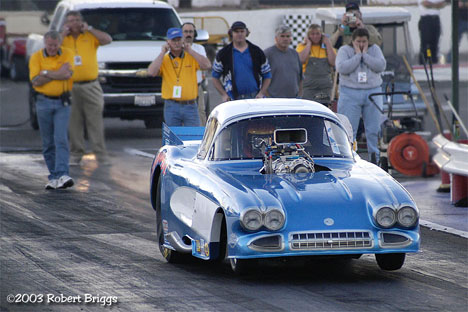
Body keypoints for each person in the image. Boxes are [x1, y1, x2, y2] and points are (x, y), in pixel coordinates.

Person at [61, 11, 112, 165]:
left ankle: (100, 154)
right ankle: (76, 153)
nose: (74, 23)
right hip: (70, 85)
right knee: (74, 121)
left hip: (91, 84)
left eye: (77, 20)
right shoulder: (64, 38)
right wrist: (63, 33)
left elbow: (107, 39)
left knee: (95, 120)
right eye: (71, 20)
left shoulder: (90, 36)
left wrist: (89, 29)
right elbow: (51, 47)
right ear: (66, 23)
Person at [29, 30, 75, 189]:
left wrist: (46, 73)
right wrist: (57, 73)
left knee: (61, 138)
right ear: (45, 43)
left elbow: (67, 74)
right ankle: (54, 175)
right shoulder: (36, 57)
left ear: (59, 43)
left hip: (62, 102)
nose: (53, 48)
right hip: (43, 102)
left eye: (55, 45)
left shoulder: (68, 54)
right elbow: (35, 81)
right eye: (50, 45)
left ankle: (63, 173)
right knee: (48, 142)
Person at [335, 28, 386, 164]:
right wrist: (357, 55)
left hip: (372, 92)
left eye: (364, 41)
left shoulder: (374, 49)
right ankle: (348, 158)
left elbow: (380, 66)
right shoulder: (344, 50)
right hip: (350, 92)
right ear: (353, 41)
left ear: (368, 41)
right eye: (358, 41)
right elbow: (342, 68)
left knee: (373, 129)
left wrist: (365, 55)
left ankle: (375, 158)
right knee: (349, 128)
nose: (362, 44)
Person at [147, 28, 211, 126]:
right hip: (171, 106)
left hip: (190, 106)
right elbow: (151, 72)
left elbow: (207, 65)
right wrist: (162, 52)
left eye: (179, 40)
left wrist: (190, 50)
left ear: (183, 41)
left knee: (193, 137)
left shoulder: (191, 56)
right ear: (168, 42)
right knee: (173, 138)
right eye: (173, 40)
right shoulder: (164, 59)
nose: (176, 43)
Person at [212, 21, 271, 102]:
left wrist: (261, 93)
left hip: (255, 97)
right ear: (231, 33)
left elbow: (267, 75)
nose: (239, 34)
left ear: (246, 32)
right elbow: (215, 77)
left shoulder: (257, 52)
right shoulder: (223, 54)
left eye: (242, 31)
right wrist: (224, 94)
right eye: (236, 31)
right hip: (232, 98)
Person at [296, 24, 336, 105]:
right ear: (308, 35)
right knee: (308, 108)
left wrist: (328, 43)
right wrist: (308, 44)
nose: (315, 36)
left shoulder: (327, 48)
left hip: (324, 87)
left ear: (322, 35)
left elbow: (333, 62)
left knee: (323, 107)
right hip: (308, 87)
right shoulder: (301, 46)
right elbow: (301, 60)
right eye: (312, 34)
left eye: (317, 33)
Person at [182, 22, 211, 125]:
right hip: (180, 89)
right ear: (181, 33)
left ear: (194, 34)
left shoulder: (200, 49)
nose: (188, 34)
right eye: (186, 31)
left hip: (196, 88)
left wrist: (190, 50)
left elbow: (206, 65)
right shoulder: (175, 49)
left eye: (191, 32)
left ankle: (201, 139)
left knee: (200, 115)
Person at [264, 25, 303, 98]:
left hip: (293, 99)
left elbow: (300, 77)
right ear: (276, 38)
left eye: (288, 36)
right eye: (282, 36)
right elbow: (261, 78)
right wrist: (268, 97)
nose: (285, 39)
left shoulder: (295, 54)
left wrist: (299, 95)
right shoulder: (267, 54)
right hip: (274, 100)